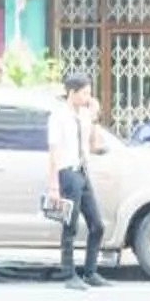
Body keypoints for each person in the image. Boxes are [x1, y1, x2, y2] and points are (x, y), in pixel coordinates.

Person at [45, 72, 118, 289]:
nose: (89, 97)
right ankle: (69, 274)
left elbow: (94, 145)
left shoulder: (84, 116)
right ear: (72, 92)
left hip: (83, 172)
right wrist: (53, 185)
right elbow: (53, 153)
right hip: (67, 173)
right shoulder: (58, 116)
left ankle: (90, 272)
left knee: (97, 225)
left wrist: (94, 117)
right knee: (70, 225)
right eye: (85, 93)